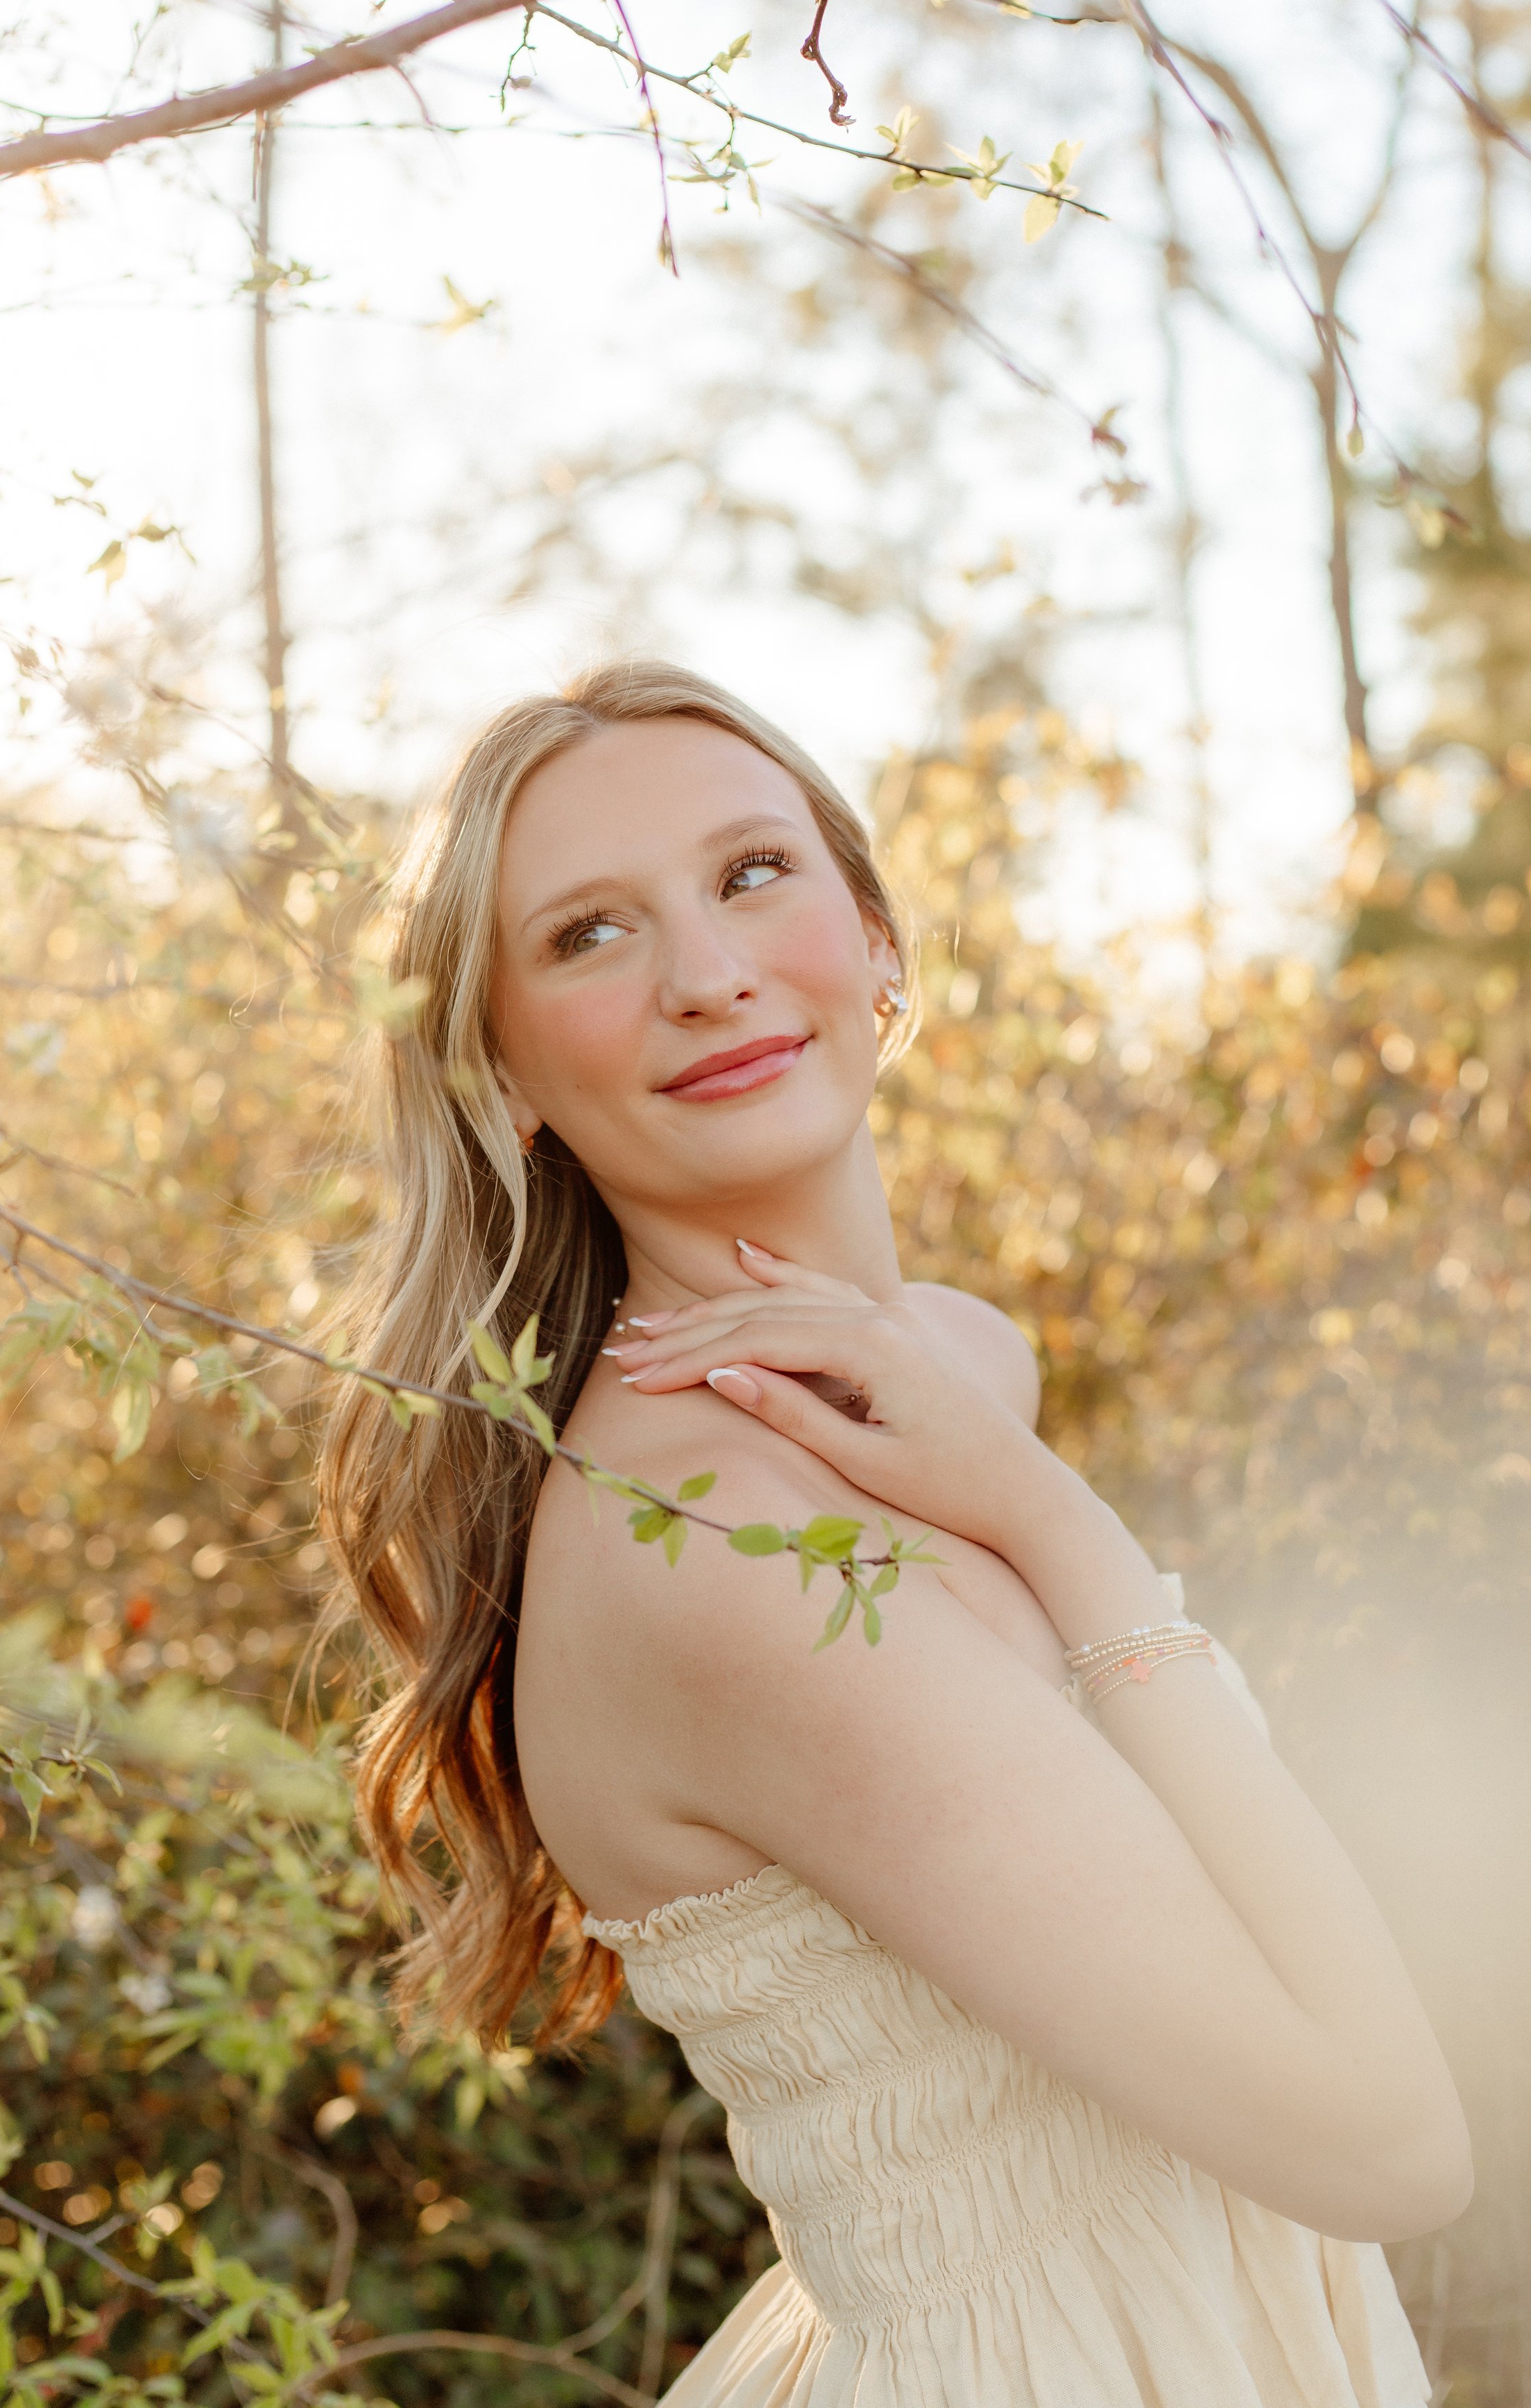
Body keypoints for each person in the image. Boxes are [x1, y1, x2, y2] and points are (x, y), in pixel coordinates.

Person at [320, 660, 1469, 2406]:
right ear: (502, 1068)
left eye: (749, 873)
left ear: (873, 938)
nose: (707, 974)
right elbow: (1384, 2148)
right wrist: (1054, 1519)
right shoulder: (706, 1541)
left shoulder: (946, 1363)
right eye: (588, 934)